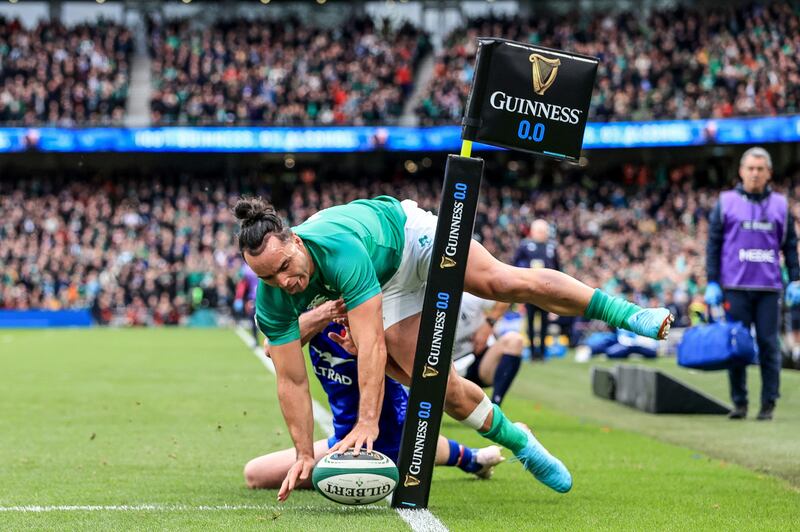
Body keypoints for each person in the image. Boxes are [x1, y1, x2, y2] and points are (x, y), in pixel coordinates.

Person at [235, 194, 673, 500]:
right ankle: (519, 442)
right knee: (437, 387)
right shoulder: (273, 299)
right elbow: (290, 379)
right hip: (386, 288)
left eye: (285, 267)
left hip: (409, 239)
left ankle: (628, 314)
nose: (283, 282)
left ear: (295, 240)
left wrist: (368, 422)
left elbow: (369, 346)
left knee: (501, 281)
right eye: (268, 277)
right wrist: (305, 455)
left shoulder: (339, 252)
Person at [244, 300, 504, 490]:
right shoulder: (312, 313)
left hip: (390, 438)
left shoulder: (368, 308)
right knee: (255, 474)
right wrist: (324, 313)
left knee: (401, 445)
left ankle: (477, 456)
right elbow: (272, 345)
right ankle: (474, 458)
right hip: (344, 441)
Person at [705, 146, 800, 421]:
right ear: (741, 171)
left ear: (769, 172)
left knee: (769, 345)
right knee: (737, 346)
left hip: (769, 288)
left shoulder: (781, 205)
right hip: (735, 286)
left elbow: (791, 247)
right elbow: (713, 245)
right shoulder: (725, 203)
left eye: (761, 169)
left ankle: (768, 404)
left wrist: (795, 279)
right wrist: (712, 281)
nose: (755, 174)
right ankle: (740, 402)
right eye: (750, 168)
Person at [451, 293, 524, 405]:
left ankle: (495, 407)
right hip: (444, 371)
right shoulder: (422, 307)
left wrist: (488, 324)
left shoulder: (467, 298)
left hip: (477, 361)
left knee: (514, 340)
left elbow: (504, 298)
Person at [512, 219, 560, 360]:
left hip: (547, 292)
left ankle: (543, 352)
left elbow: (558, 269)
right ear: (533, 232)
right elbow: (516, 264)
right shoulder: (525, 245)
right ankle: (533, 352)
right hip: (530, 291)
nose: (542, 234)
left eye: (544, 231)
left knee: (545, 323)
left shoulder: (552, 246)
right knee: (531, 322)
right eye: (539, 231)